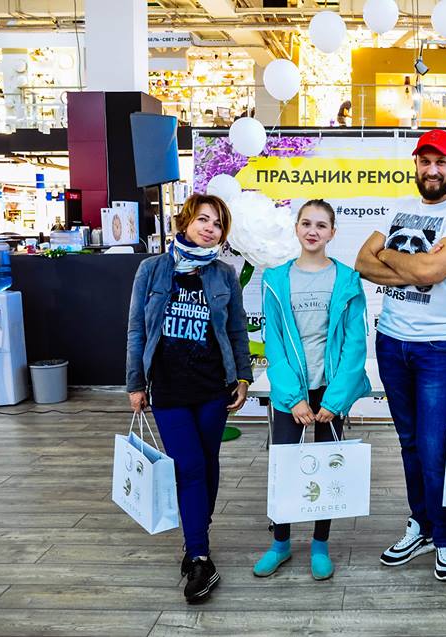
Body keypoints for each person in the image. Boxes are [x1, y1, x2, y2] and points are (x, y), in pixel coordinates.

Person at [355, 129, 446, 581]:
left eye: (440, 162)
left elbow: (430, 271)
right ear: (415, 164)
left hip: (437, 350)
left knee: (434, 447)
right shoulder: (397, 208)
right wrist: (416, 269)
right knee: (409, 442)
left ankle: (445, 534)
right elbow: (362, 262)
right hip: (391, 342)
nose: (432, 169)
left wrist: (391, 257)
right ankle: (421, 524)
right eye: (425, 161)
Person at [125, 193, 253, 603]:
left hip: (213, 388)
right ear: (185, 222)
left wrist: (243, 378)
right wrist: (135, 384)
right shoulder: (151, 270)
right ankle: (199, 556)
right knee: (190, 466)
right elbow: (136, 330)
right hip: (169, 390)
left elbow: (236, 330)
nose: (210, 228)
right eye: (203, 219)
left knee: (207, 463)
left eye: (217, 224)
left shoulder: (224, 275)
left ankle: (197, 538)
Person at [256, 199, 370, 581]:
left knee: (327, 470)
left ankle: (320, 544)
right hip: (292, 394)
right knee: (284, 468)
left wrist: (335, 400)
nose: (313, 231)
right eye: (306, 223)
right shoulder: (276, 280)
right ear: (296, 228)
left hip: (330, 393)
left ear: (332, 233)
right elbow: (274, 343)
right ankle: (281, 544)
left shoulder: (347, 280)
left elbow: (355, 344)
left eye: (321, 225)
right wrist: (293, 398)